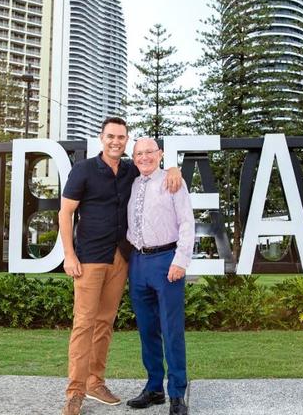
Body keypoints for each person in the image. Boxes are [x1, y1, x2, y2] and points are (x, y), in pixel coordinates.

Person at [58, 118, 182, 415]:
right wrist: (68, 255)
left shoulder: (129, 170)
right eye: (111, 136)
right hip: (88, 258)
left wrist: (175, 168)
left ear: (127, 140)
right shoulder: (84, 169)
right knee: (84, 323)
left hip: (120, 258)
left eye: (121, 137)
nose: (116, 141)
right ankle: (75, 392)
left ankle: (95, 382)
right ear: (102, 138)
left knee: (104, 323)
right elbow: (65, 213)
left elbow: (155, 167)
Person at [125, 137, 194, 415]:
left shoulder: (172, 181)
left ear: (160, 154)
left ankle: (177, 392)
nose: (144, 158)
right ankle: (154, 388)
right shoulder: (132, 181)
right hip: (138, 262)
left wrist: (181, 261)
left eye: (150, 152)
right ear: (134, 156)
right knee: (147, 330)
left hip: (167, 261)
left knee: (171, 330)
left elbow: (187, 222)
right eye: (139, 153)